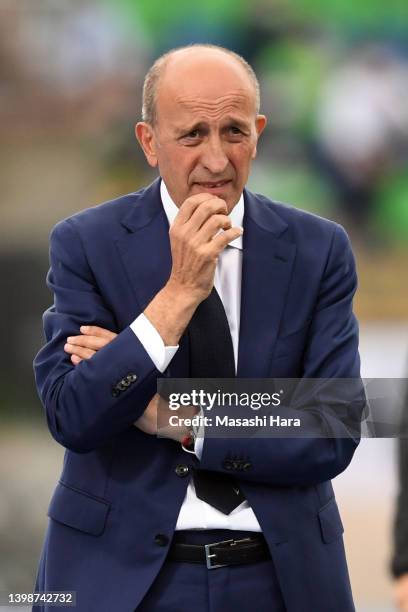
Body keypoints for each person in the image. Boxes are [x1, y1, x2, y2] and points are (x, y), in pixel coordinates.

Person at [33, 44, 363, 612]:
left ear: (258, 133)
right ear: (148, 142)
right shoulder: (85, 243)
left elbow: (333, 424)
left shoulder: (319, 248)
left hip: (281, 580)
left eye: (234, 131)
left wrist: (173, 415)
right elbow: (74, 413)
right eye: (192, 136)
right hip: (121, 583)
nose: (216, 160)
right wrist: (178, 294)